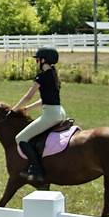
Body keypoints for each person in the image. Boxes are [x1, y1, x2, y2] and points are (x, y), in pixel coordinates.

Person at [9, 46, 65, 182]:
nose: (36, 62)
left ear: (43, 60)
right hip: (60, 112)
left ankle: (37, 170)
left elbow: (28, 96)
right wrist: (27, 109)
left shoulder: (41, 76)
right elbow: (44, 100)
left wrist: (14, 109)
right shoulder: (54, 75)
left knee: (21, 138)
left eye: (37, 60)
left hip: (50, 115)